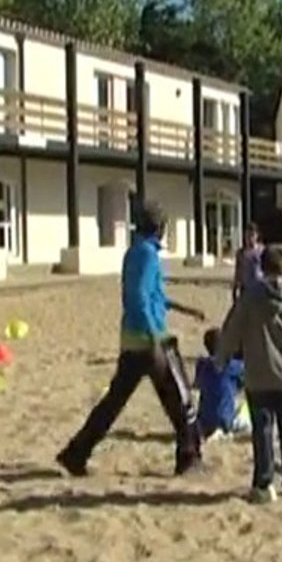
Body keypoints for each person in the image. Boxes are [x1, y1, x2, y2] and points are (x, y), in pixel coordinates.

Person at [56, 202, 207, 477]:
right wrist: (154, 338)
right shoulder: (148, 255)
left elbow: (152, 296)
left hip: (131, 339)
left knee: (113, 403)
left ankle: (77, 452)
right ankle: (189, 458)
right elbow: (139, 298)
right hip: (149, 340)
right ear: (159, 228)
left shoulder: (134, 253)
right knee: (179, 399)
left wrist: (184, 308)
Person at [217, 246, 282, 503]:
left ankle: (264, 483)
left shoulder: (250, 298)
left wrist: (221, 358)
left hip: (259, 375)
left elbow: (231, 330)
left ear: (262, 267)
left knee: (262, 431)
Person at [194, 327, 247, 439]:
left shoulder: (202, 365)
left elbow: (197, 384)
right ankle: (222, 429)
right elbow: (246, 380)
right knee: (246, 408)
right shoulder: (231, 366)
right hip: (224, 420)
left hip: (203, 420)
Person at [231, 222, 264, 303]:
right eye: (247, 236)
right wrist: (235, 287)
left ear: (256, 236)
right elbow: (238, 270)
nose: (249, 239)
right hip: (245, 288)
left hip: (259, 287)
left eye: (252, 235)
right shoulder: (241, 253)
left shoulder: (262, 251)